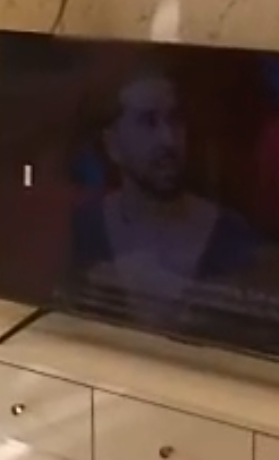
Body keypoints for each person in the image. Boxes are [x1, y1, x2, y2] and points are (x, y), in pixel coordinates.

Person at [69, 69, 258, 334]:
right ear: (112, 144)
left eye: (175, 120)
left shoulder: (230, 235)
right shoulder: (85, 228)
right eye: (148, 122)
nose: (168, 140)